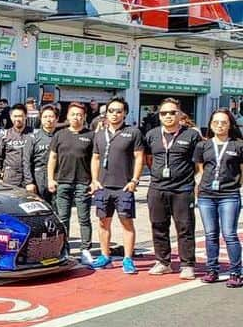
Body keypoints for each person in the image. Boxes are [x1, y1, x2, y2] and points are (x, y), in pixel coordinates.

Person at [144, 98, 201, 279]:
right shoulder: (152, 135)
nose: (168, 116)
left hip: (182, 189)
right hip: (157, 188)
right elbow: (148, 159)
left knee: (185, 227)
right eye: (164, 113)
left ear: (179, 114)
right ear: (159, 116)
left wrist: (197, 185)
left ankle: (187, 264)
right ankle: (163, 262)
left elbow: (199, 164)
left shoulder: (191, 135)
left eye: (172, 112)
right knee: (158, 226)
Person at [89, 97, 144, 274]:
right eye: (111, 111)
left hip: (123, 187)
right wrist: (94, 180)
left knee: (126, 223)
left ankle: (128, 259)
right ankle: (105, 256)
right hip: (103, 187)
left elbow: (139, 157)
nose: (114, 114)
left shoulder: (133, 132)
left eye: (119, 111)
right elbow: (95, 158)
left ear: (125, 113)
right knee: (103, 223)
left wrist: (134, 180)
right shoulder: (99, 134)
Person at [195, 109, 243, 287]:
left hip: (229, 195)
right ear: (210, 124)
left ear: (230, 124)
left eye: (223, 122)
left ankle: (236, 272)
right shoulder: (203, 145)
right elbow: (200, 170)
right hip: (207, 195)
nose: (220, 125)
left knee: (229, 234)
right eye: (216, 122)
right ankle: (212, 270)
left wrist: (236, 185)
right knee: (210, 234)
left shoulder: (238, 145)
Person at [48, 102, 95, 264]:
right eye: (73, 114)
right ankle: (64, 249)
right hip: (62, 183)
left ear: (84, 117)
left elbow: (95, 160)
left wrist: (94, 181)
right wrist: (50, 179)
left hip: (83, 183)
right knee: (63, 218)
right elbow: (52, 158)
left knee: (84, 219)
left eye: (80, 114)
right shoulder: (59, 135)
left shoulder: (91, 135)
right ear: (67, 116)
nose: (76, 117)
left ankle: (85, 250)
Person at [0, 105, 35, 190]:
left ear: (26, 116)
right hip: (10, 177)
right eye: (15, 116)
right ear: (11, 117)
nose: (18, 119)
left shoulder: (33, 133)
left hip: (29, 177)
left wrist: (31, 181)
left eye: (20, 116)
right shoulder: (5, 135)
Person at [30, 105, 59, 204]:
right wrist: (29, 182)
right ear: (41, 119)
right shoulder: (33, 137)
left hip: (58, 177)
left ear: (57, 118)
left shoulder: (61, 136)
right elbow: (27, 161)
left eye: (51, 116)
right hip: (39, 176)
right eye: (45, 117)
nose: (48, 120)